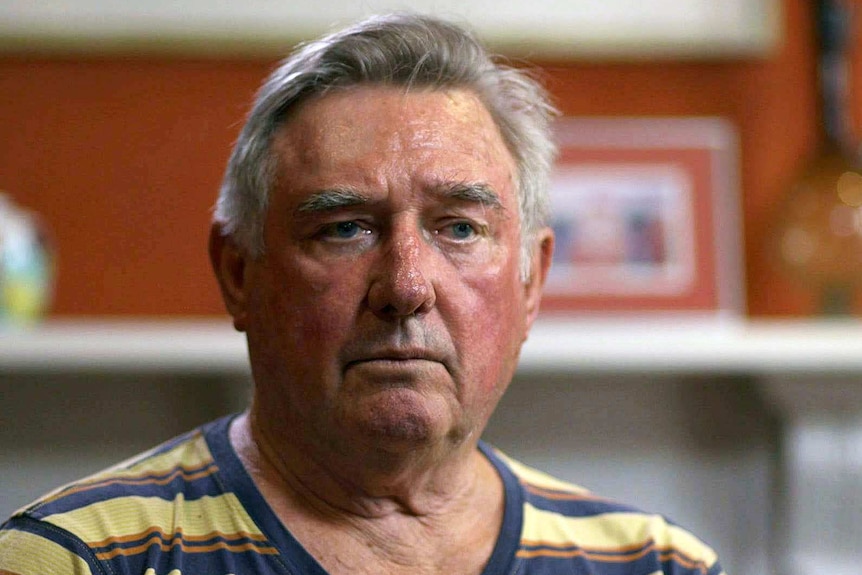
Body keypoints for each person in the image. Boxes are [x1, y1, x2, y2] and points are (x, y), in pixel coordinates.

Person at [0, 13, 726, 575]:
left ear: (531, 280)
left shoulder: (656, 563)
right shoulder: (74, 558)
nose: (407, 286)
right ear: (239, 273)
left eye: (460, 228)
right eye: (344, 228)